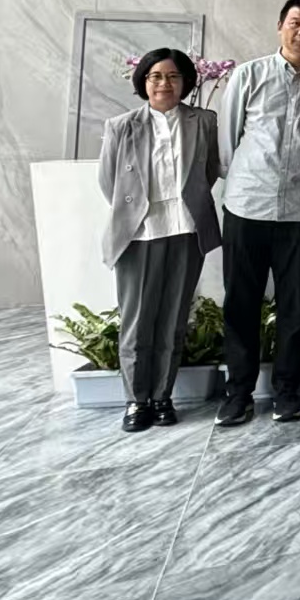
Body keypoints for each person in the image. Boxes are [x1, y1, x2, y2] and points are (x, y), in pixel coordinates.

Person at [215, 0, 300, 427]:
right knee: (241, 301)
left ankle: (287, 391)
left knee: (295, 304)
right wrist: (246, 177)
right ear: (280, 26)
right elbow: (227, 141)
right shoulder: (249, 74)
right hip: (247, 206)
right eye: (295, 22)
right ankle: (238, 393)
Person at [97, 49, 222, 433]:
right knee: (137, 321)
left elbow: (209, 171)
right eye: (155, 76)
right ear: (143, 82)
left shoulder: (204, 121)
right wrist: (137, 209)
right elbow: (109, 182)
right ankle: (136, 401)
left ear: (185, 82)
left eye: (172, 76)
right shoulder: (121, 126)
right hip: (140, 233)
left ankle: (161, 397)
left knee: (173, 319)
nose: (164, 83)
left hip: (186, 229)